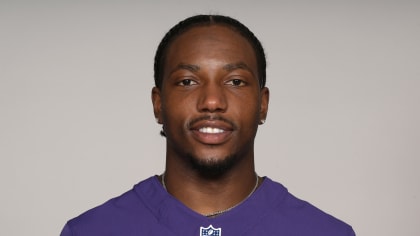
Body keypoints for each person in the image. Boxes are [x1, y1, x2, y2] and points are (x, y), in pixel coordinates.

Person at [60, 14, 355, 236]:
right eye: (187, 81)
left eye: (235, 81)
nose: (212, 101)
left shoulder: (324, 232)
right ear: (158, 104)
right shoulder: (91, 231)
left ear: (262, 104)